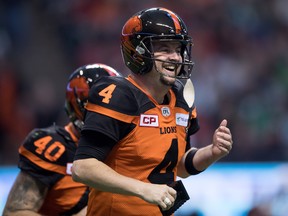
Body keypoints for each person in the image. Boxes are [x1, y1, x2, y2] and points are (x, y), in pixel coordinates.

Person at [72, 7, 233, 216]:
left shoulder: (182, 97)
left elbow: (179, 166)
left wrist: (211, 153)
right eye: (164, 49)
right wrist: (143, 189)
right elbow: (83, 167)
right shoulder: (119, 95)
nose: (175, 57)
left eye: (178, 49)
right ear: (138, 52)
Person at [3, 63, 121, 216]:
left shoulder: (130, 143)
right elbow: (14, 213)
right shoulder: (53, 148)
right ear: (80, 106)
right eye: (101, 106)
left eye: (117, 105)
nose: (110, 113)